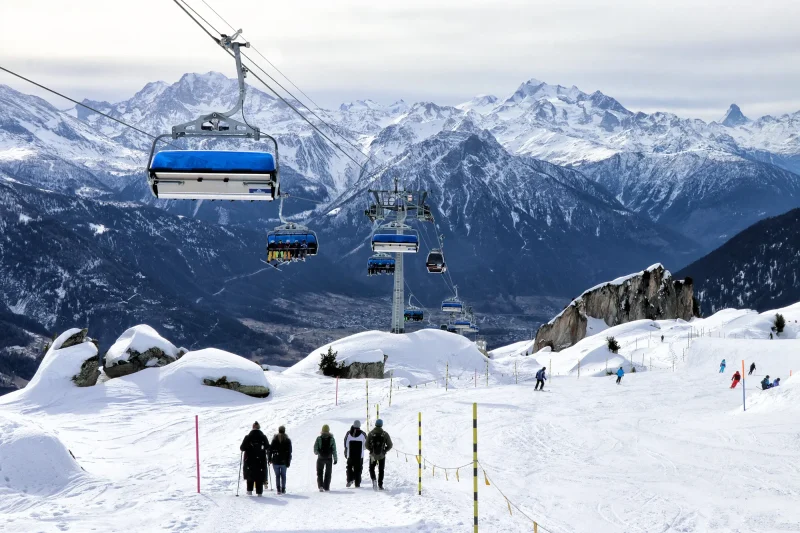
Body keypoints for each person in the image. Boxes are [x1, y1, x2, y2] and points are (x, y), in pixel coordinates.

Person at [240, 421, 269, 496]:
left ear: (252, 427)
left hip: (249, 459)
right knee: (259, 474)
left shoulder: (248, 437)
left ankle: (249, 490)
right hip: (260, 459)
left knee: (250, 474)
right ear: (259, 427)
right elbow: (268, 447)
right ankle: (259, 492)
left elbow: (242, 448)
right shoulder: (263, 437)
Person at [366, 419, 393, 491]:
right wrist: (384, 450)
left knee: (371, 468)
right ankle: (380, 485)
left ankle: (374, 480)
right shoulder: (385, 434)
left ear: (375, 424)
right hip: (382, 456)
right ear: (381, 425)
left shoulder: (371, 433)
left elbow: (366, 445)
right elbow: (390, 445)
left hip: (372, 455)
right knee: (381, 470)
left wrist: (371, 450)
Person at [314, 424, 337, 492]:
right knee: (328, 473)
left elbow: (315, 449)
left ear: (322, 430)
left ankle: (320, 486)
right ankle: (326, 487)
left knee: (320, 472)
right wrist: (335, 459)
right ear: (328, 430)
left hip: (320, 458)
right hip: (329, 458)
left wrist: (319, 453)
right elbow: (334, 450)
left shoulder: (319, 438)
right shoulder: (332, 439)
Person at [269, 425, 292, 494]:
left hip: (275, 461)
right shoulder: (287, 440)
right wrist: (288, 462)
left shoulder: (274, 440)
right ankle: (283, 489)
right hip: (284, 461)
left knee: (277, 475)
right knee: (283, 475)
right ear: (284, 431)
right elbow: (289, 452)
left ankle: (278, 489)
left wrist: (269, 459)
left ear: (278, 430)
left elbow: (270, 450)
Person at [344, 420, 367, 488]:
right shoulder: (363, 434)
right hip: (359, 456)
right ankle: (357, 483)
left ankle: (349, 480)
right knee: (358, 469)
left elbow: (346, 444)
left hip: (350, 455)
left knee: (349, 467)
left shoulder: (348, 433)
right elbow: (365, 446)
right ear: (359, 426)